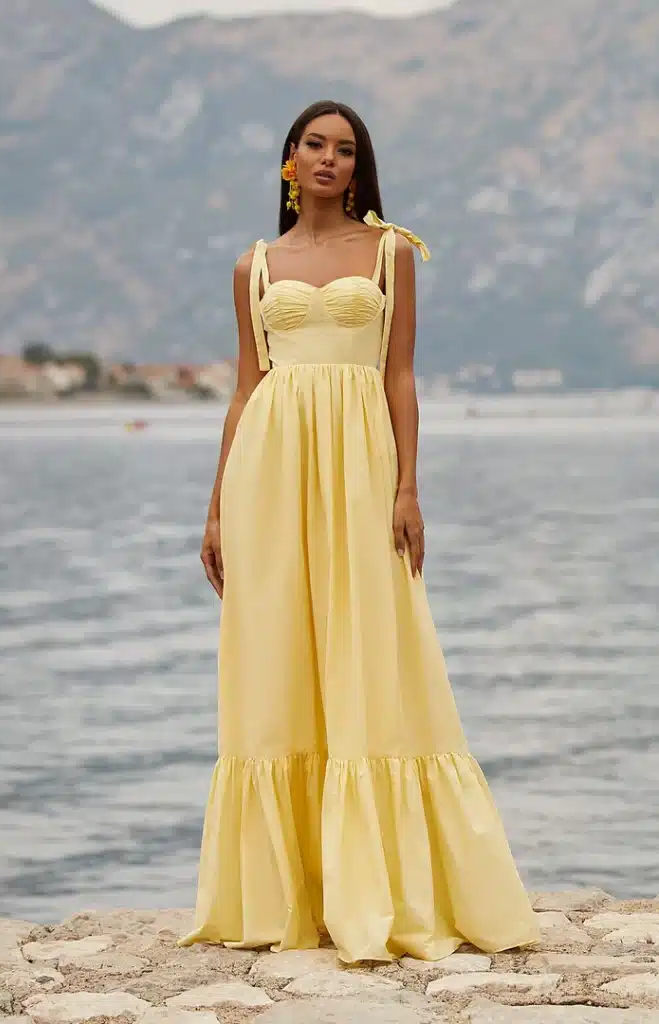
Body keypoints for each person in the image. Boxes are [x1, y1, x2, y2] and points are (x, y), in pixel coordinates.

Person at [178, 100, 540, 963]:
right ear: (288, 161)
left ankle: (388, 888)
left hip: (362, 471)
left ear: (358, 166)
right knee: (274, 656)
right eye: (315, 145)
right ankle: (283, 895)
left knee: (376, 650)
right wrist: (218, 505)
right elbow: (244, 387)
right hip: (268, 473)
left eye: (345, 149)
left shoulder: (389, 253)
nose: (329, 159)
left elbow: (401, 374)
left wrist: (409, 487)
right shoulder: (252, 267)